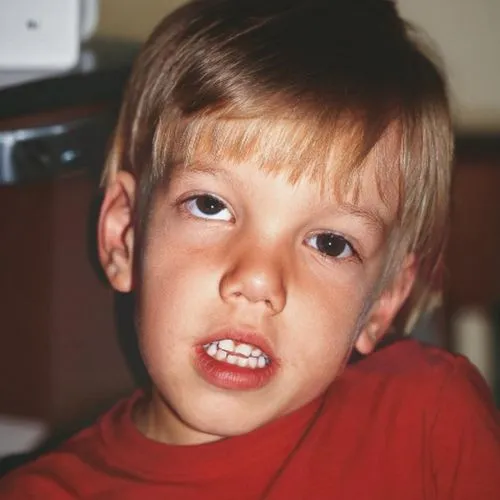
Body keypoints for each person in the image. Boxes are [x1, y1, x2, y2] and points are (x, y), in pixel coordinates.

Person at [1, 0, 499, 497]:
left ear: (384, 299)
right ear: (125, 234)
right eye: (211, 206)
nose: (259, 279)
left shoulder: (431, 421)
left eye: (329, 243)